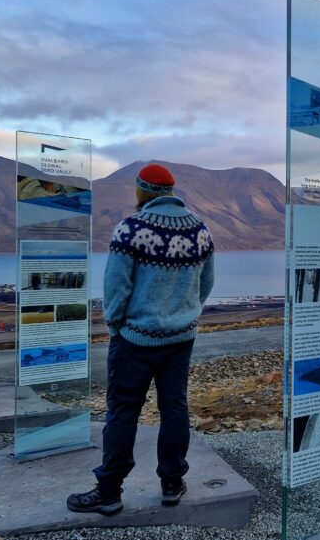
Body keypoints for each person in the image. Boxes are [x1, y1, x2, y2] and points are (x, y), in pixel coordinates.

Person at [66, 163, 214, 516]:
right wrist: (186, 314)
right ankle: (172, 483)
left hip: (135, 339)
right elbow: (205, 284)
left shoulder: (130, 229)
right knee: (174, 408)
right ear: (171, 192)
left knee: (122, 412)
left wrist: (115, 325)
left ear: (143, 190)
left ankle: (109, 491)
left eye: (137, 188)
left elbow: (116, 287)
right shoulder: (200, 230)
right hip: (181, 338)